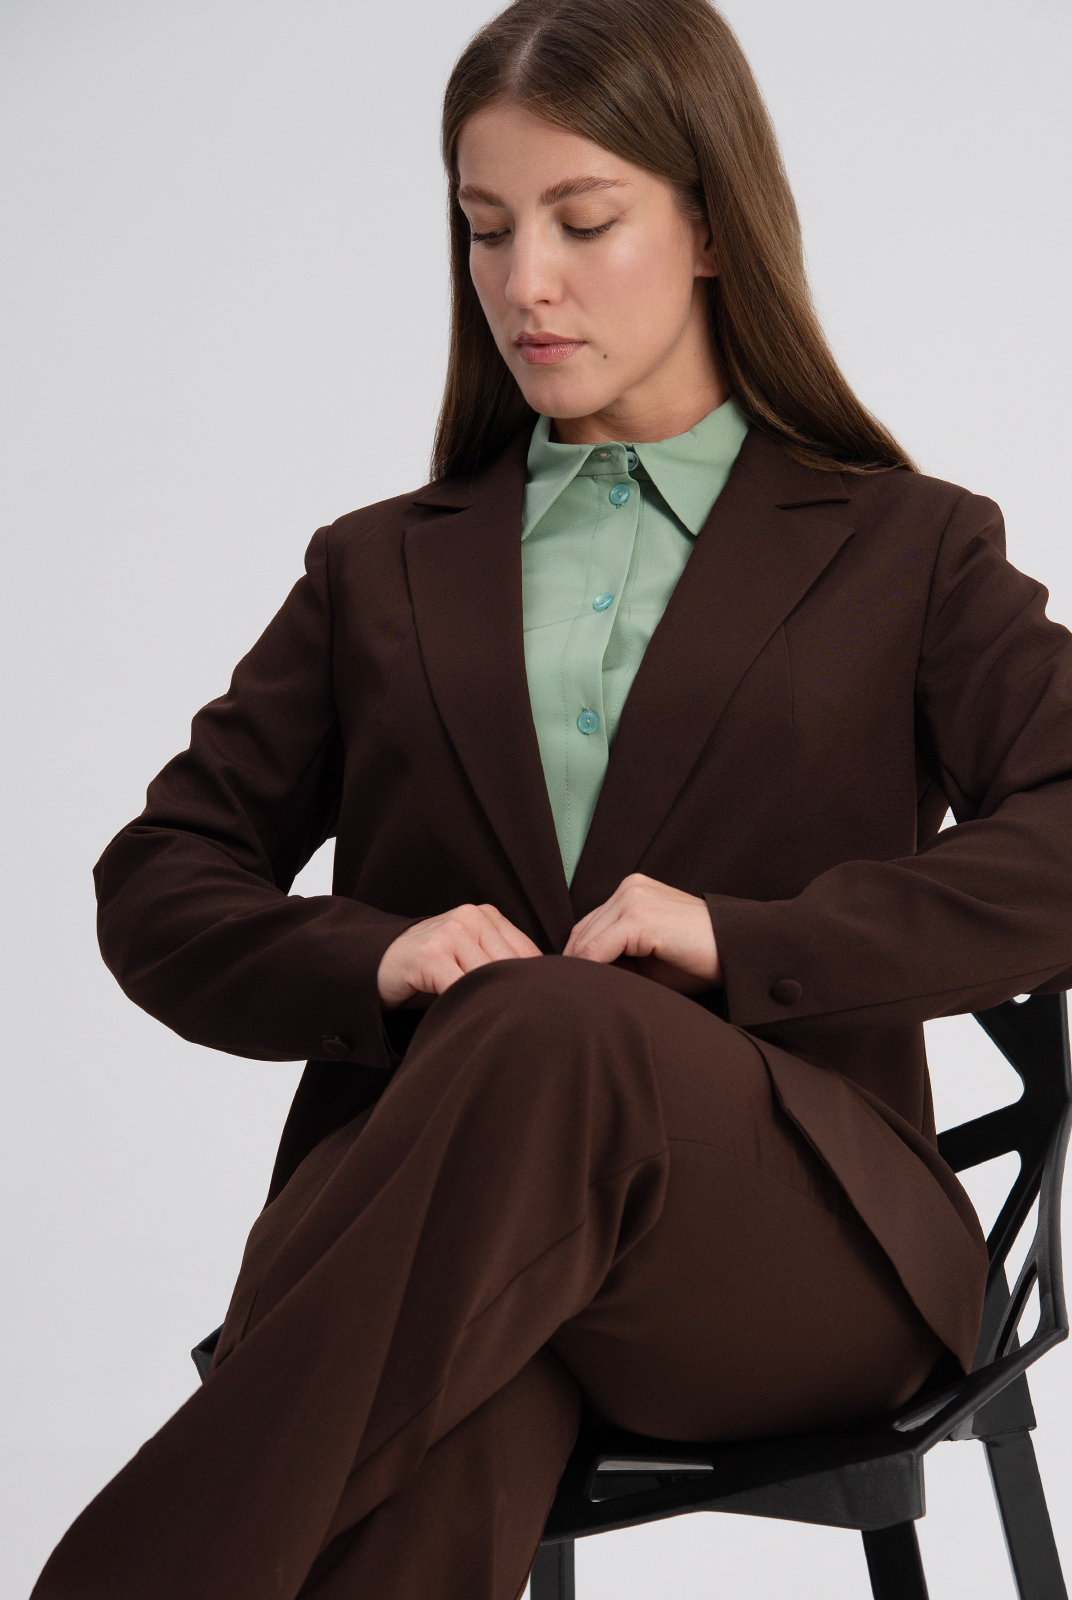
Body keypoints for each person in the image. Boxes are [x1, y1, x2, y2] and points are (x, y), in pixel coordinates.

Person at [31, 0, 1072, 1596]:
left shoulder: (906, 548)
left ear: (712, 227)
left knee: (551, 1029)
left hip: (795, 1257)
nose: (525, 282)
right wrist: (375, 958)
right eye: (486, 227)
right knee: (460, 1407)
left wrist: (746, 939)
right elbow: (160, 877)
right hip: (451, 1257)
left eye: (584, 223)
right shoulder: (378, 567)